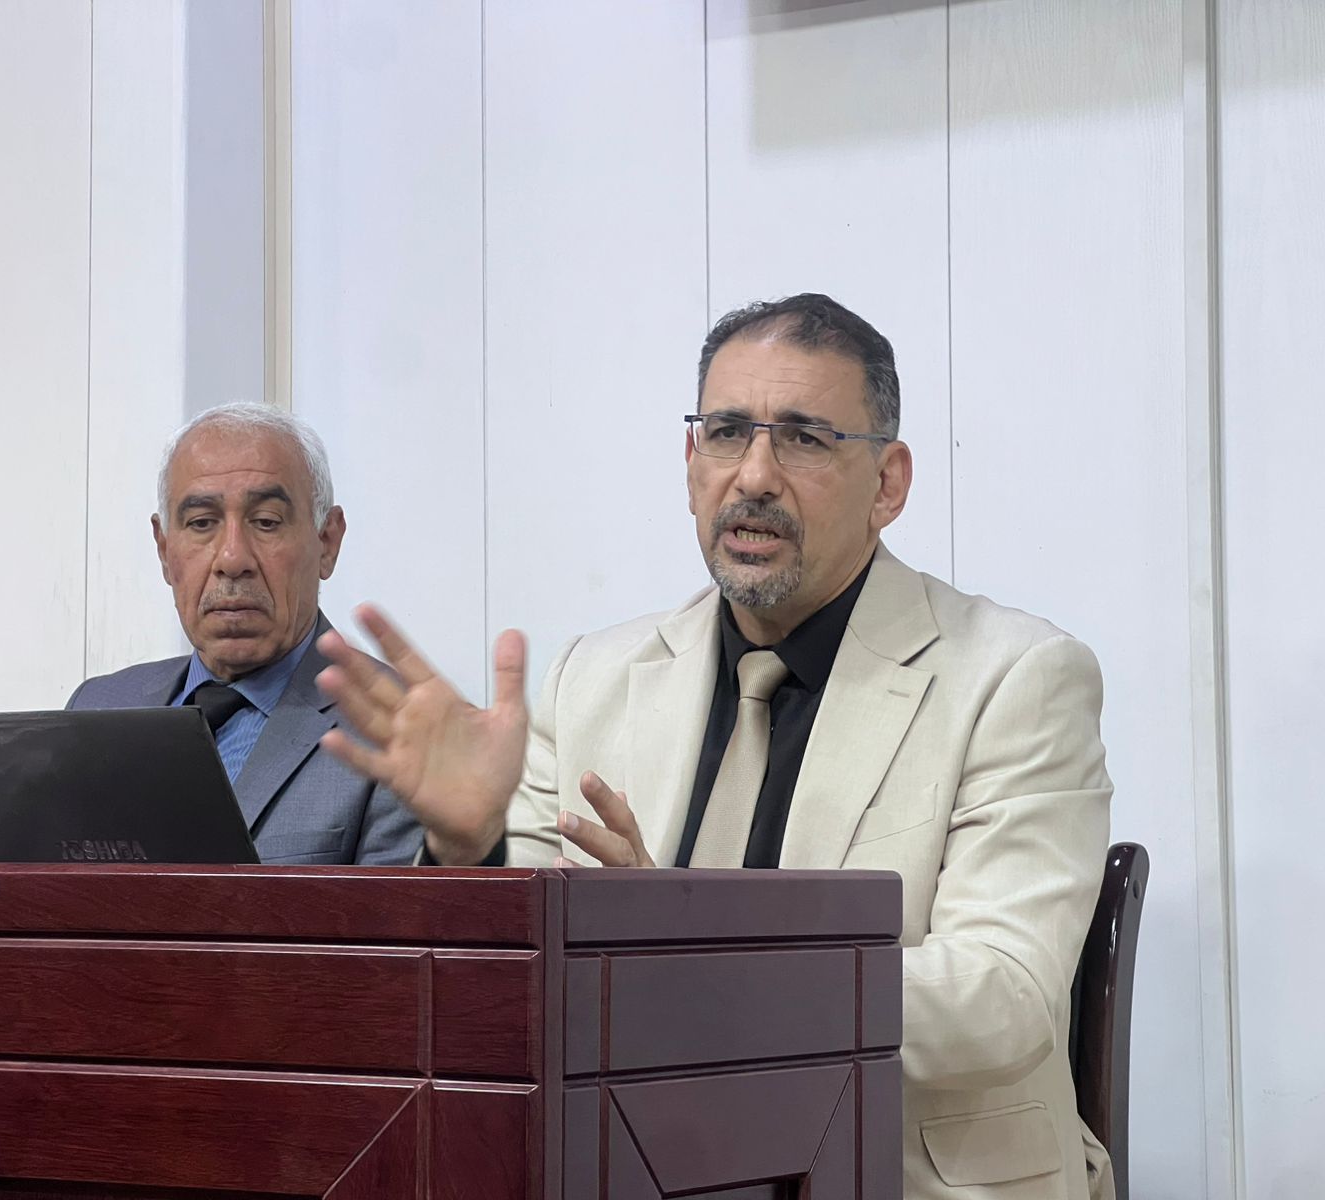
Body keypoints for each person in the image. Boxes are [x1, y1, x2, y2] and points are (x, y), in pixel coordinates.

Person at [315, 295, 1115, 1200]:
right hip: (639, 1169)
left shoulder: (1014, 676)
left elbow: (1004, 999)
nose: (755, 476)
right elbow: (502, 1002)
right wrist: (471, 852)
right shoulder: (594, 677)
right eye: (728, 433)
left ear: (888, 484)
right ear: (691, 463)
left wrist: (692, 966)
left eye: (805, 438)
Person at [68, 402, 421, 865]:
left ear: (327, 542)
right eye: (201, 523)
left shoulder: (401, 728)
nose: (232, 559)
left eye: (266, 522)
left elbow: (411, 911)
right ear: (164, 549)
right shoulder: (96, 710)